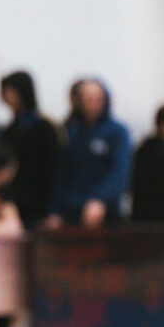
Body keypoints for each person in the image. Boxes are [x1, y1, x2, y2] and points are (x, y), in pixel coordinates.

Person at [47, 77, 131, 228]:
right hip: (72, 209)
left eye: (97, 99)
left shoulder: (117, 132)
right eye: (88, 99)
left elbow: (119, 171)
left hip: (105, 213)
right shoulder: (72, 131)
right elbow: (63, 174)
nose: (92, 104)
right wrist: (55, 210)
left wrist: (100, 199)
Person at [0, 69, 58, 228]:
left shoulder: (43, 128)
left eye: (9, 92)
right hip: (15, 203)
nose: (5, 97)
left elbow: (53, 169)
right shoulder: (9, 130)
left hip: (39, 205)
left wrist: (53, 209)